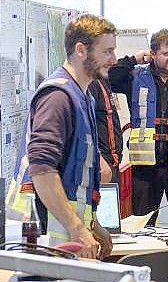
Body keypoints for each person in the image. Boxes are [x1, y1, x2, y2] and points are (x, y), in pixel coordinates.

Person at [8, 14, 117, 259]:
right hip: (45, 233)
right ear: (81, 50)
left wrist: (93, 226)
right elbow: (42, 170)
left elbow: (74, 175)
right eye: (107, 52)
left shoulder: (82, 95)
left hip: (62, 231)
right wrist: (78, 229)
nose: (114, 59)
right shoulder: (58, 97)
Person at [109, 29, 168, 217]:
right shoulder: (136, 76)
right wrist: (134, 59)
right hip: (144, 168)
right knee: (142, 219)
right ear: (153, 54)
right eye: (166, 54)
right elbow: (111, 76)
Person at [90, 78, 122, 184]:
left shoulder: (103, 81)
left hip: (111, 163)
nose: (113, 61)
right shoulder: (91, 84)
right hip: (101, 165)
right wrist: (99, 160)